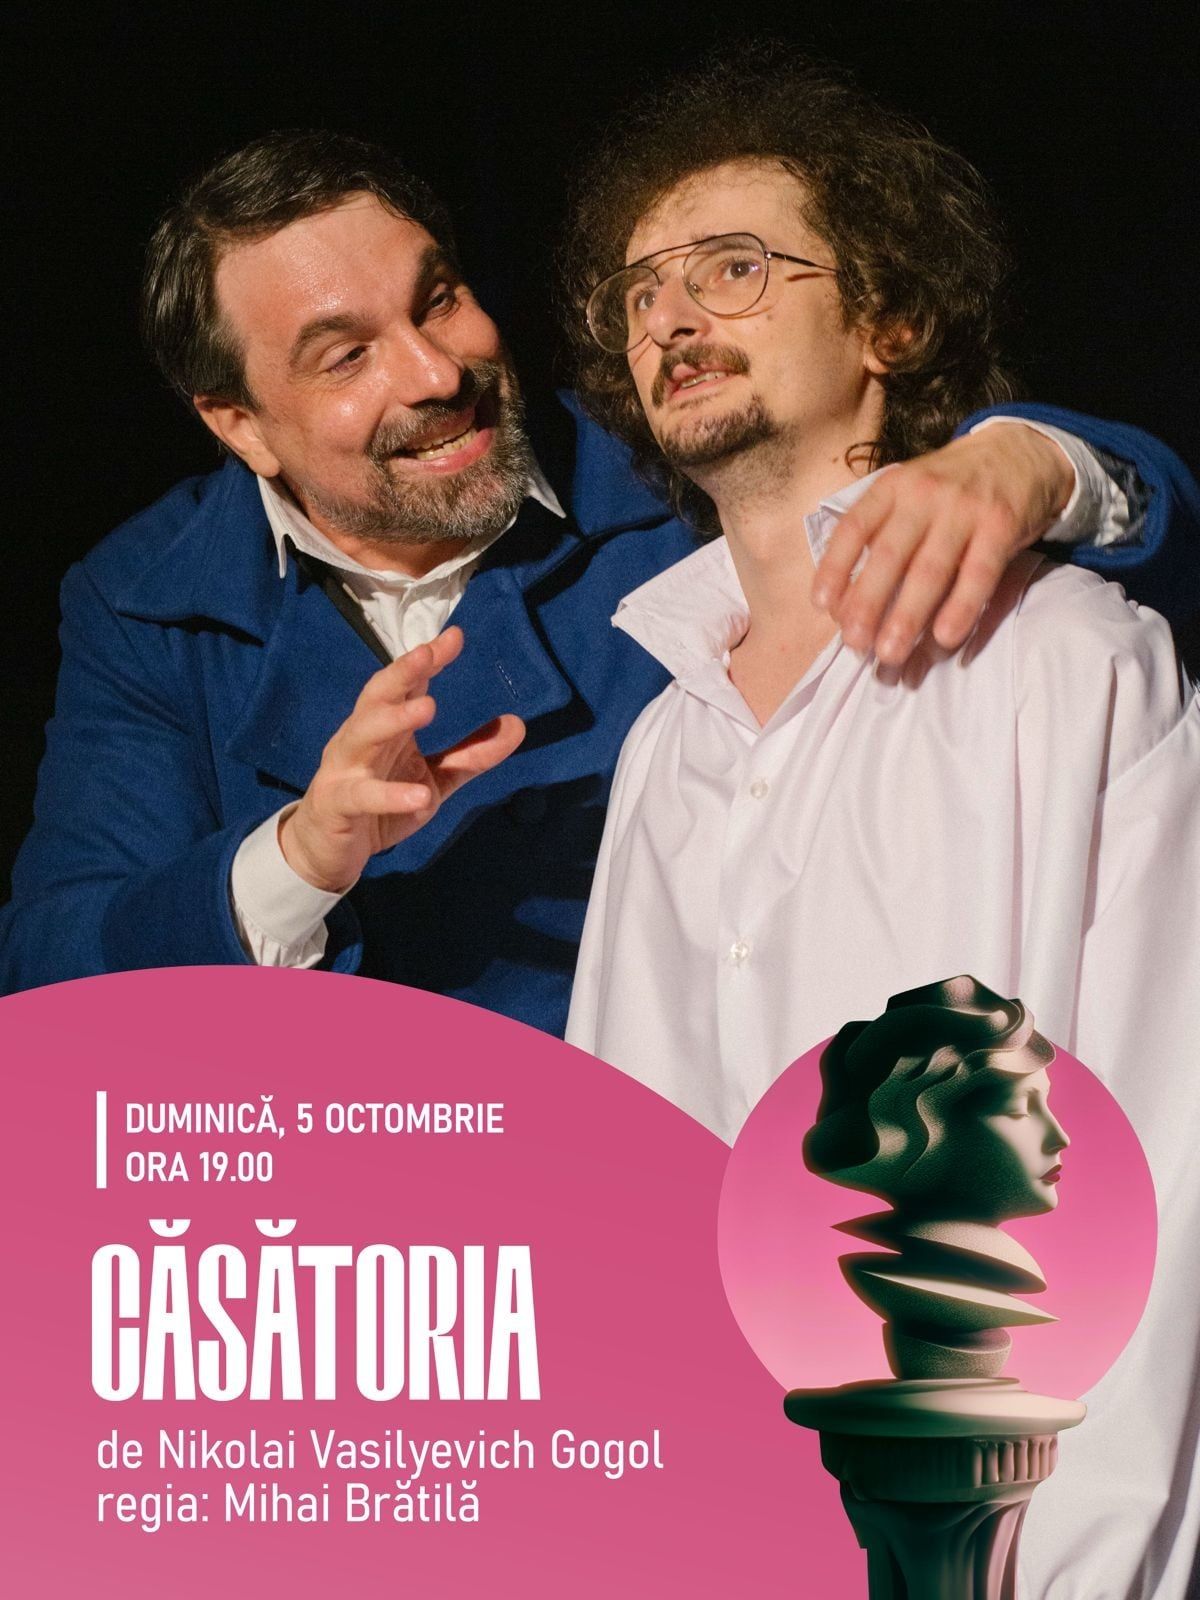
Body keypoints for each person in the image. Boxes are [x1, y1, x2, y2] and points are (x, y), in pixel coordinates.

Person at [1, 131, 1195, 1037]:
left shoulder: (668, 468)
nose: (434, 372)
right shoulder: (146, 600)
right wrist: (301, 855)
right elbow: (54, 980)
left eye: (437, 301)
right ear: (239, 424)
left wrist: (1044, 460)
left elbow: (1121, 600)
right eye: (348, 354)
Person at [562, 55, 1200, 1600]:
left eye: (734, 267)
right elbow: (613, 1201)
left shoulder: (1066, 659)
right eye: (643, 290)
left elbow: (1162, 1173)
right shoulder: (665, 744)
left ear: (888, 323)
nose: (673, 315)